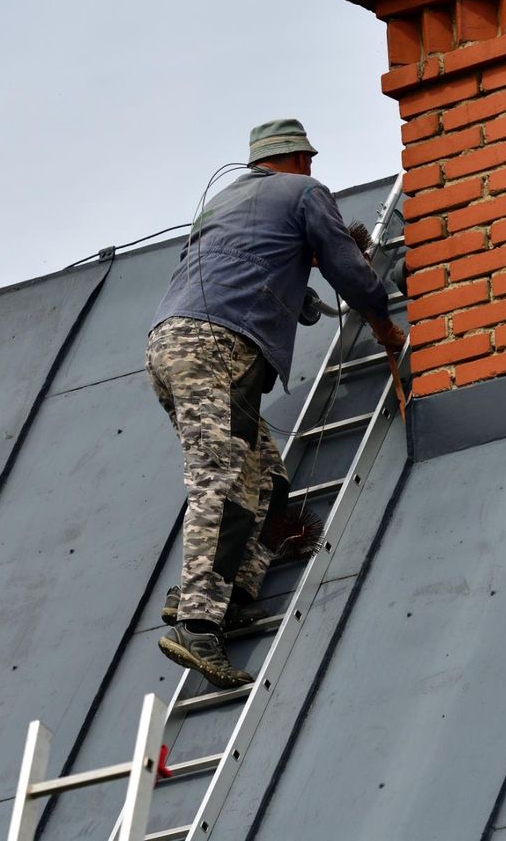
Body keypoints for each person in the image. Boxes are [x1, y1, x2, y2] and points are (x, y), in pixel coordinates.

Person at [146, 118, 405, 689]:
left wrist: (294, 295)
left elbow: (230, 270)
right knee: (222, 476)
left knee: (263, 477)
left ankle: (232, 590)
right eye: (308, 159)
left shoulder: (226, 200)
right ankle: (196, 620)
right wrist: (381, 318)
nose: (314, 169)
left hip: (173, 344)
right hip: (216, 346)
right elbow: (345, 263)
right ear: (293, 158)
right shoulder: (305, 192)